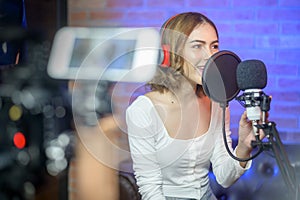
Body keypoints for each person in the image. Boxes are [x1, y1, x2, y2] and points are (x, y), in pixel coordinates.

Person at [126, 12, 264, 200]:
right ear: (170, 54)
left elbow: (224, 177)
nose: (209, 56)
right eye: (197, 46)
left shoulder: (217, 103)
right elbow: (149, 188)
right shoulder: (143, 110)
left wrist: (244, 146)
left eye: (214, 46)